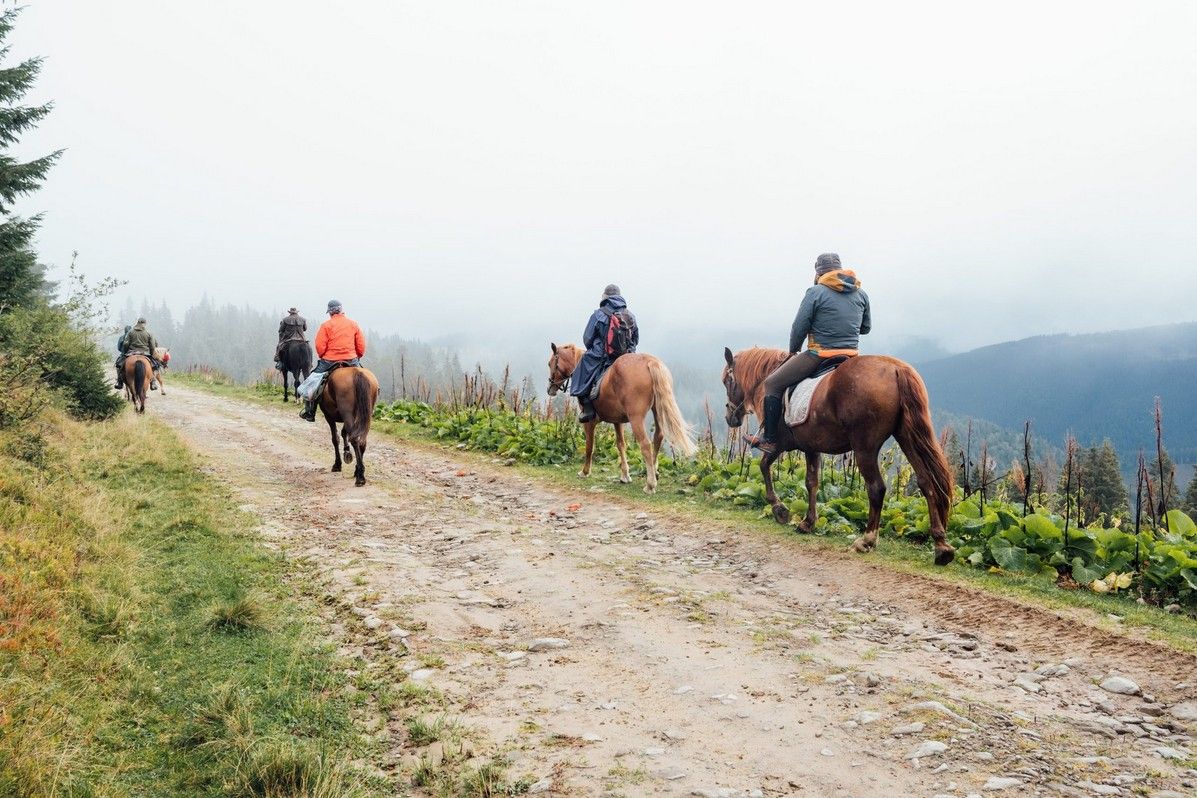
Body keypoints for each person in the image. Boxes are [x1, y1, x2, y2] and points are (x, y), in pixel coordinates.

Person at [746, 253, 871, 455]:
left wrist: (793, 349)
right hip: (852, 356)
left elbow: (799, 327)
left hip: (819, 355)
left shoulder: (815, 292)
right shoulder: (861, 293)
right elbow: (865, 328)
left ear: (818, 272)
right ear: (840, 269)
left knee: (772, 384)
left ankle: (769, 439)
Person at [570, 284, 638, 422]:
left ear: (605, 297)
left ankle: (587, 408)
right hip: (626, 355)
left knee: (580, 369)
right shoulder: (630, 315)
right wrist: (629, 352)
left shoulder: (598, 314)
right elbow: (635, 339)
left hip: (602, 356)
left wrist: (595, 349)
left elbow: (587, 338)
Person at [299, 299, 366, 422]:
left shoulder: (326, 325)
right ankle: (369, 407)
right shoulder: (353, 324)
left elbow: (320, 346)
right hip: (351, 359)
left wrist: (323, 355)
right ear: (341, 310)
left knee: (311, 382)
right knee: (366, 379)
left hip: (330, 360)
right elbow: (361, 346)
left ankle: (309, 411)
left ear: (330, 312)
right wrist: (357, 355)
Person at [114, 317, 161, 391]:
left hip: (131, 352)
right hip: (145, 353)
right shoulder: (149, 333)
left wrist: (125, 352)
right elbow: (152, 346)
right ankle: (153, 382)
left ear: (137, 322)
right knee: (156, 365)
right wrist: (152, 354)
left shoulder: (130, 332)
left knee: (119, 364)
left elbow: (126, 343)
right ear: (145, 323)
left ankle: (119, 381)